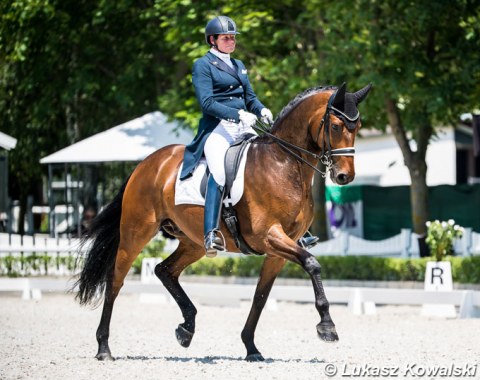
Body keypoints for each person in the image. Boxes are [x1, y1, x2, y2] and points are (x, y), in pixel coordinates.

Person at [180, 15, 318, 257]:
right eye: (226, 38)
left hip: (244, 124)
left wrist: (260, 108)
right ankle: (211, 233)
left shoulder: (239, 64)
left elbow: (250, 97)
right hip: (217, 128)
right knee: (219, 171)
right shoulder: (202, 65)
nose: (231, 42)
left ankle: (298, 229)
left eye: (233, 38)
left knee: (274, 163)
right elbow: (207, 102)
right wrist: (238, 114)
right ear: (212, 40)